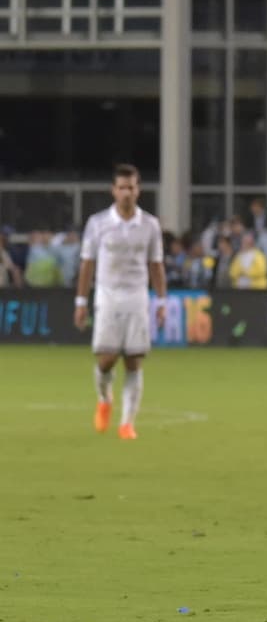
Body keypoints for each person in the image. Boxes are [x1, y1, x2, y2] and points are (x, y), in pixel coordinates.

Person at [73, 164, 166, 440]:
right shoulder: (98, 223)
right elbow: (87, 264)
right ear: (114, 190)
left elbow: (156, 265)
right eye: (122, 187)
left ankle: (127, 423)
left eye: (132, 187)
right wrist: (81, 301)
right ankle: (104, 399)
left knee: (134, 361)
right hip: (107, 297)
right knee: (106, 359)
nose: (127, 192)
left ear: (138, 190)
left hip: (137, 297)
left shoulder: (150, 224)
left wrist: (161, 301)